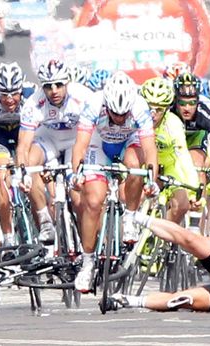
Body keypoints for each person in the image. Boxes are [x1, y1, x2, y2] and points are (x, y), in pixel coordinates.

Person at [71, 71, 159, 292]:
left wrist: (152, 179)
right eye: (114, 114)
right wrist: (76, 173)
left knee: (136, 168)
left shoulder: (139, 106)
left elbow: (149, 148)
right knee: (93, 201)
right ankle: (88, 262)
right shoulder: (93, 103)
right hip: (99, 143)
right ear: (106, 105)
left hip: (128, 142)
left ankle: (129, 217)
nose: (119, 119)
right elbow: (80, 144)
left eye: (123, 114)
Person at [16, 59, 97, 244]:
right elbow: (23, 145)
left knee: (77, 199)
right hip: (49, 140)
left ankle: (88, 244)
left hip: (75, 142)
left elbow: (95, 133)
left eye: (59, 85)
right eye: (48, 86)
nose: (54, 91)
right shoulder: (34, 103)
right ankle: (45, 220)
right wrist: (23, 173)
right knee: (29, 162)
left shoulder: (83, 97)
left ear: (67, 82)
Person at [0, 62, 36, 246]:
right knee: (0, 177)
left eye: (14, 93)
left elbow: (41, 130)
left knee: (35, 171)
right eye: (4, 94)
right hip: (0, 136)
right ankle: (9, 236)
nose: (10, 99)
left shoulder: (32, 95)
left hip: (24, 133)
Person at [140, 77, 200, 224]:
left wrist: (193, 190)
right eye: (149, 108)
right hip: (144, 165)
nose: (153, 114)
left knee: (182, 203)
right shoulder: (135, 119)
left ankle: (162, 237)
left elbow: (183, 157)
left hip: (168, 166)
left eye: (159, 109)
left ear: (166, 109)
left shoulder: (173, 123)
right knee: (138, 195)